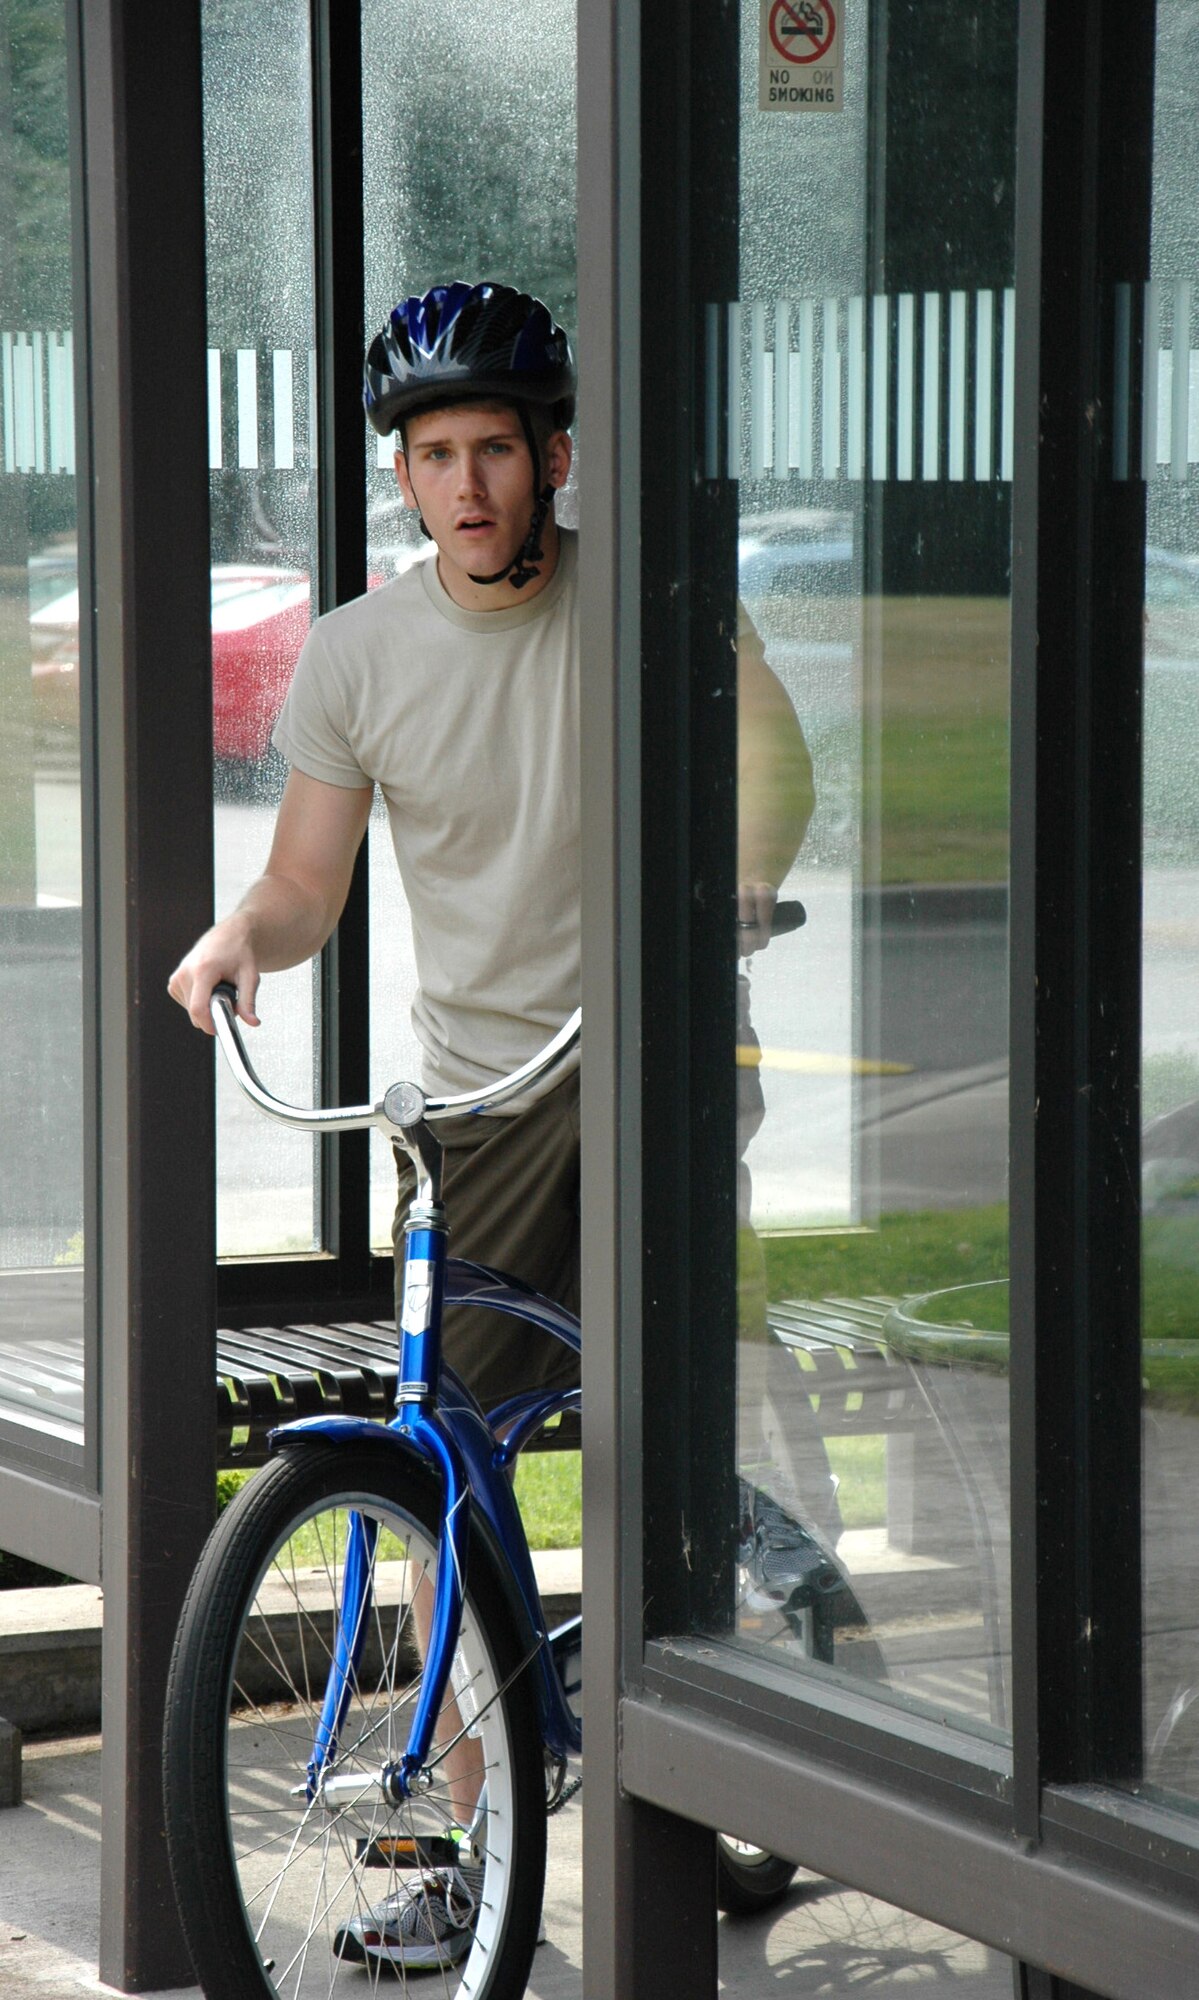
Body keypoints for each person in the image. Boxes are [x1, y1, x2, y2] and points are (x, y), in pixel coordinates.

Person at [168, 276, 815, 1971]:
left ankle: (719, 1697)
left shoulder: (648, 602)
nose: (465, 485)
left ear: (555, 455)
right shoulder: (361, 653)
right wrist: (245, 936)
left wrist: (742, 873)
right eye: (434, 454)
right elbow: (309, 880)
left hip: (658, 1054)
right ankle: (449, 1851)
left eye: (495, 451)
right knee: (444, 1472)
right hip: (479, 1090)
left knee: (651, 1427)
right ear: (406, 476)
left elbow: (770, 754)